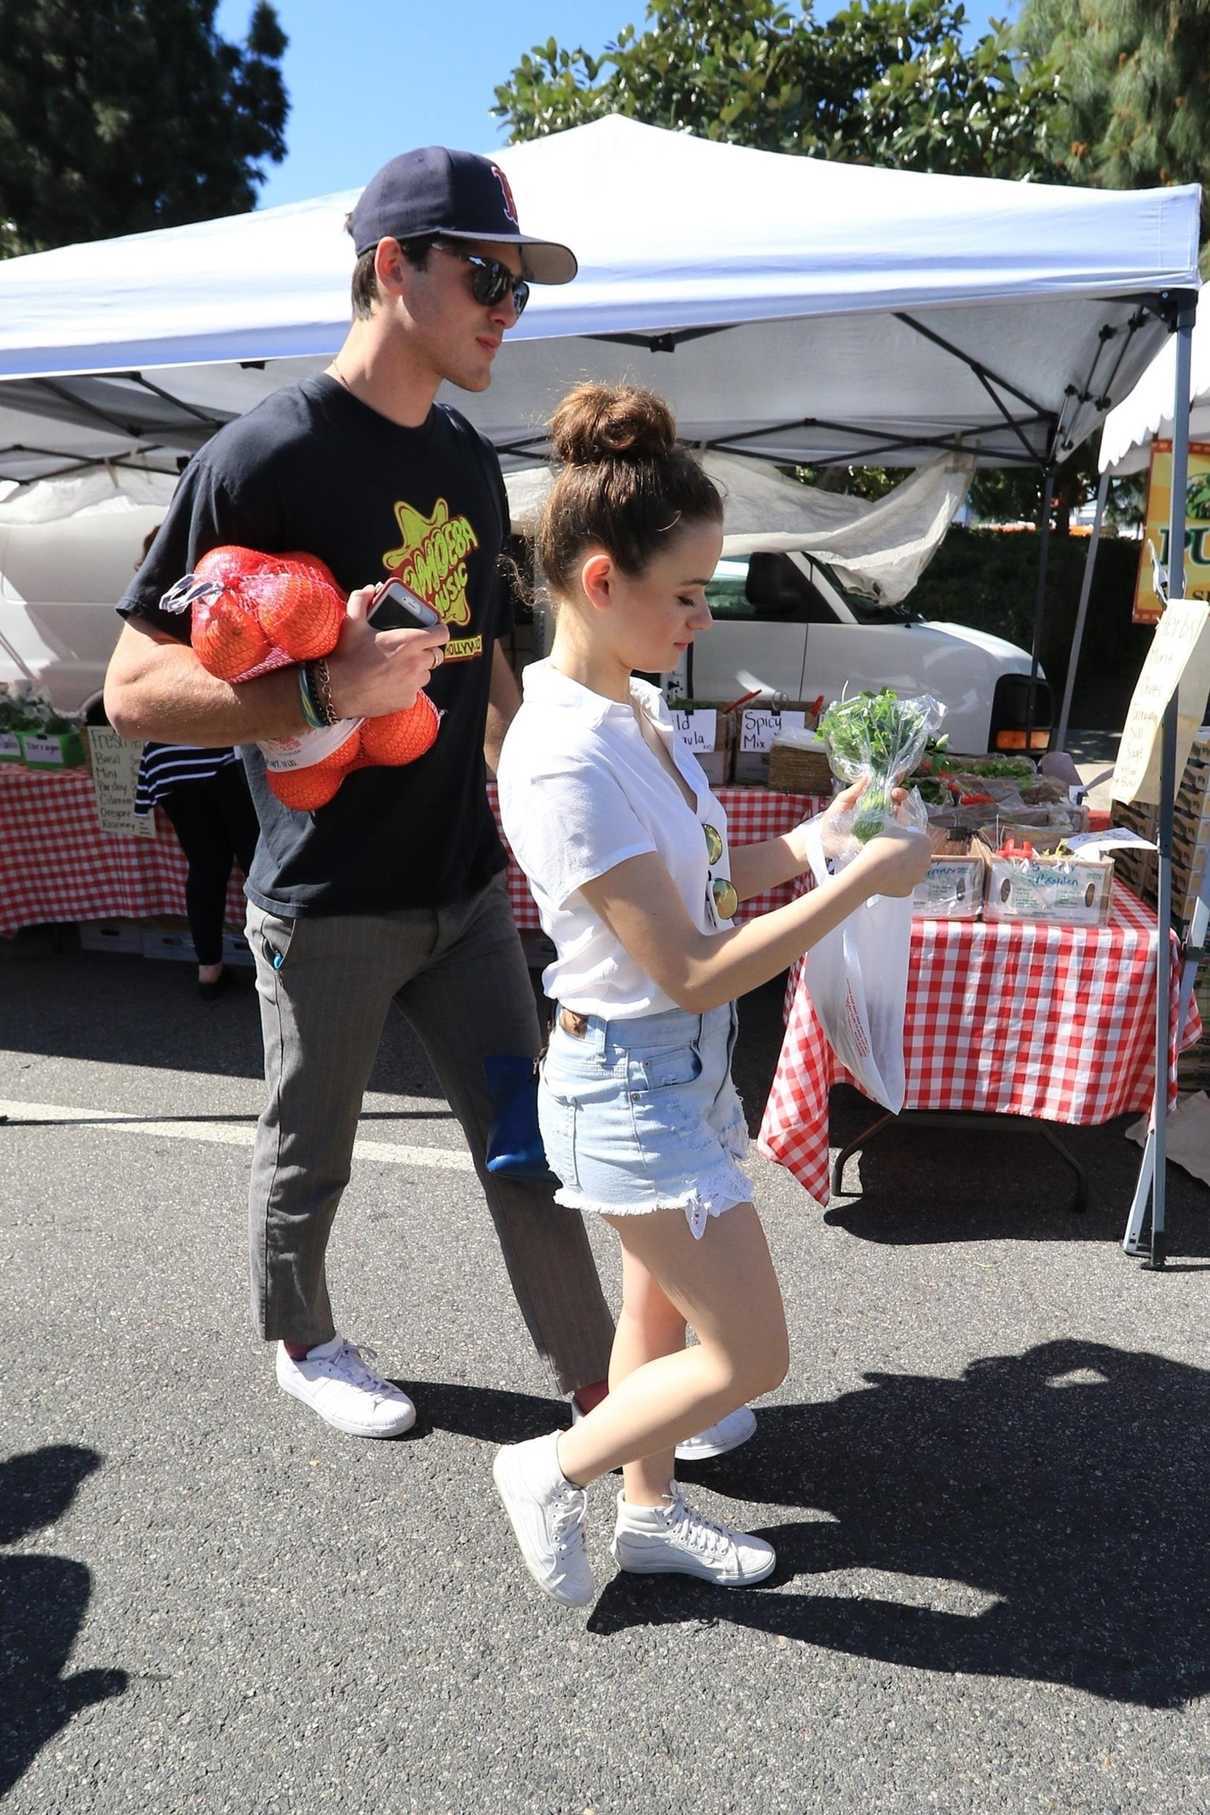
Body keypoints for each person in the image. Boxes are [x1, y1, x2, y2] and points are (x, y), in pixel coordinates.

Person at [102, 146, 626, 1440]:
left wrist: (548, 790)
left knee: (528, 1141)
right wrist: (323, 698)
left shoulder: (461, 453)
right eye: (487, 274)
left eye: (520, 282)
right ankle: (301, 1331)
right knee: (310, 1144)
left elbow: (484, 648)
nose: (510, 305)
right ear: (393, 268)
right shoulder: (259, 454)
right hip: (324, 894)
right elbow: (130, 688)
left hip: (458, 882)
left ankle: (605, 1383)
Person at [492, 382, 932, 1605]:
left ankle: (645, 1511)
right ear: (598, 581)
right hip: (631, 1072)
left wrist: (816, 843)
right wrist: (862, 887)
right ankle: (550, 1467)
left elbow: (700, 882)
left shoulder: (628, 709)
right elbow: (685, 961)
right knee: (751, 1353)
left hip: (667, 1067)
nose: (700, 616)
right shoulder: (562, 750)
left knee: (661, 1316)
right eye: (686, 593)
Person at [131, 529, 260, 1000]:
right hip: (216, 751)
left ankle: (208, 966)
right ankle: (277, 962)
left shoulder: (139, 617)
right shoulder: (206, 601)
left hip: (167, 759)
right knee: (254, 862)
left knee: (205, 867)